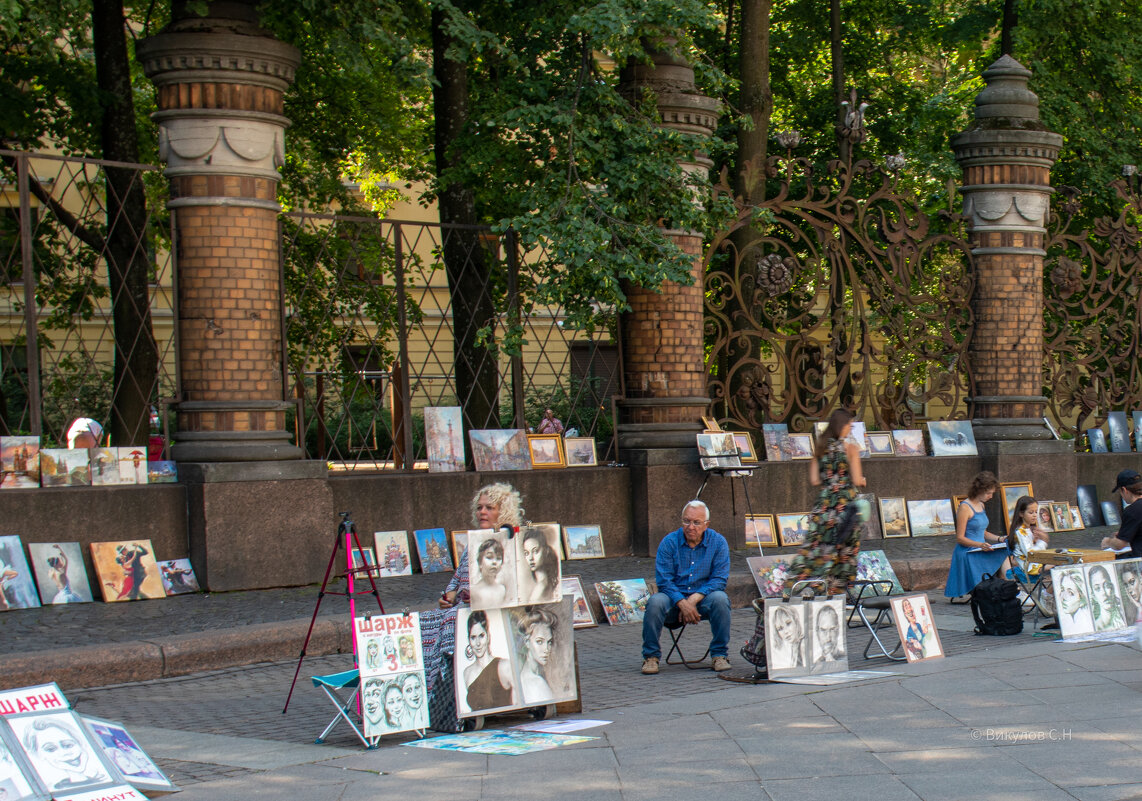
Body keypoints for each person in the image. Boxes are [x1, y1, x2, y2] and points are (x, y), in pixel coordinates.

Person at [420, 483, 524, 696]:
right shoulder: (475, 543)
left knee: (451, 620)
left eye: (489, 508)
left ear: (502, 511)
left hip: (493, 608)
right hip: (463, 606)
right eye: (479, 508)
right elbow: (457, 580)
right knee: (424, 620)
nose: (482, 512)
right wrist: (447, 597)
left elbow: (513, 586)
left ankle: (447, 687)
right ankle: (431, 690)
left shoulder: (512, 542)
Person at [641, 500, 732, 674]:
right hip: (673, 598)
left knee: (721, 599)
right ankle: (650, 657)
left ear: (706, 524)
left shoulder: (718, 542)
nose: (690, 527)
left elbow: (719, 579)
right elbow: (664, 581)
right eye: (686, 521)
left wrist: (694, 598)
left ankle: (719, 655)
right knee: (655, 602)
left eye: (696, 522)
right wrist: (682, 602)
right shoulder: (669, 542)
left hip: (702, 598)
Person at [786, 409, 867, 595]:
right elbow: (856, 480)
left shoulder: (820, 447)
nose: (850, 430)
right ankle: (838, 592)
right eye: (849, 426)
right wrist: (862, 479)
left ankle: (804, 586)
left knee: (816, 549)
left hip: (823, 507)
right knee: (845, 552)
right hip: (845, 507)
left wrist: (830, 481)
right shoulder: (851, 449)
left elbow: (814, 480)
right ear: (842, 426)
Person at [943, 471, 1010, 599]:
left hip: (980, 547)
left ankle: (1008, 586)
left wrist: (1000, 538)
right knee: (1001, 555)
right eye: (988, 493)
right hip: (968, 551)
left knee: (1003, 552)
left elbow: (982, 531)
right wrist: (980, 544)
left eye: (992, 493)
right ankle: (1008, 588)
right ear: (979, 490)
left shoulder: (981, 505)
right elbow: (960, 538)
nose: (991, 496)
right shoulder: (965, 507)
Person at [21, 717, 108, 790]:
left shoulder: (104, 777)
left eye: (68, 745)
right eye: (51, 749)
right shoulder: (51, 789)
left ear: (80, 743)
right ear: (38, 755)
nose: (64, 753)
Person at [463, 610, 517, 711]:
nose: (478, 643)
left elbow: (519, 704)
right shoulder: (467, 673)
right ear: (469, 640)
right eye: (473, 637)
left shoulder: (504, 666)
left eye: (481, 636)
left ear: (488, 636)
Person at [515, 607, 558, 704]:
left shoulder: (527, 674)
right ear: (527, 642)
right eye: (539, 642)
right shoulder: (537, 683)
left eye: (549, 642)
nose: (546, 649)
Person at [1101, 470, 1142, 558]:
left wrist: (1108, 542)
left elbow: (1119, 545)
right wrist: (1125, 533)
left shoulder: (1132, 510)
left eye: (1120, 492)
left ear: (1124, 490)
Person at [520, 528, 559, 603]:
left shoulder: (541, 587)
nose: (531, 558)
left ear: (546, 550)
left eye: (535, 551)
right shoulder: (539, 584)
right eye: (526, 553)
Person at [469, 538, 509, 608]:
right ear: (480, 562)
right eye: (489, 557)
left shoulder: (502, 589)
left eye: (498, 558)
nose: (494, 562)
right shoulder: (473, 591)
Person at [1089, 564, 1127, 632]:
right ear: (1093, 596)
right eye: (1097, 588)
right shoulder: (1095, 628)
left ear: (1112, 588)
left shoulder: (1125, 618)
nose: (1103, 592)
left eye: (1106, 585)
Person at [1056, 568, 1094, 632]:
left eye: (1071, 593)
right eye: (1062, 590)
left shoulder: (1086, 625)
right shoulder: (1071, 624)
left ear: (1082, 599)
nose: (1063, 597)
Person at [768, 605, 805, 669]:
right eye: (780, 628)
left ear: (796, 621)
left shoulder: (803, 645)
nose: (786, 631)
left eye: (788, 623)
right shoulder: (795, 645)